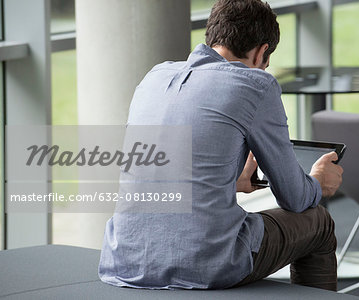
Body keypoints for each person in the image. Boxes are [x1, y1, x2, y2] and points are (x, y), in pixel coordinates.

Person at [98, 0, 343, 291]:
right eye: (266, 61)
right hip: (210, 262)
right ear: (262, 52)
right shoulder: (256, 84)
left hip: (124, 258)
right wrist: (317, 182)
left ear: (213, 36)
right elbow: (294, 197)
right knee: (318, 222)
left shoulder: (154, 76)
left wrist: (231, 181)